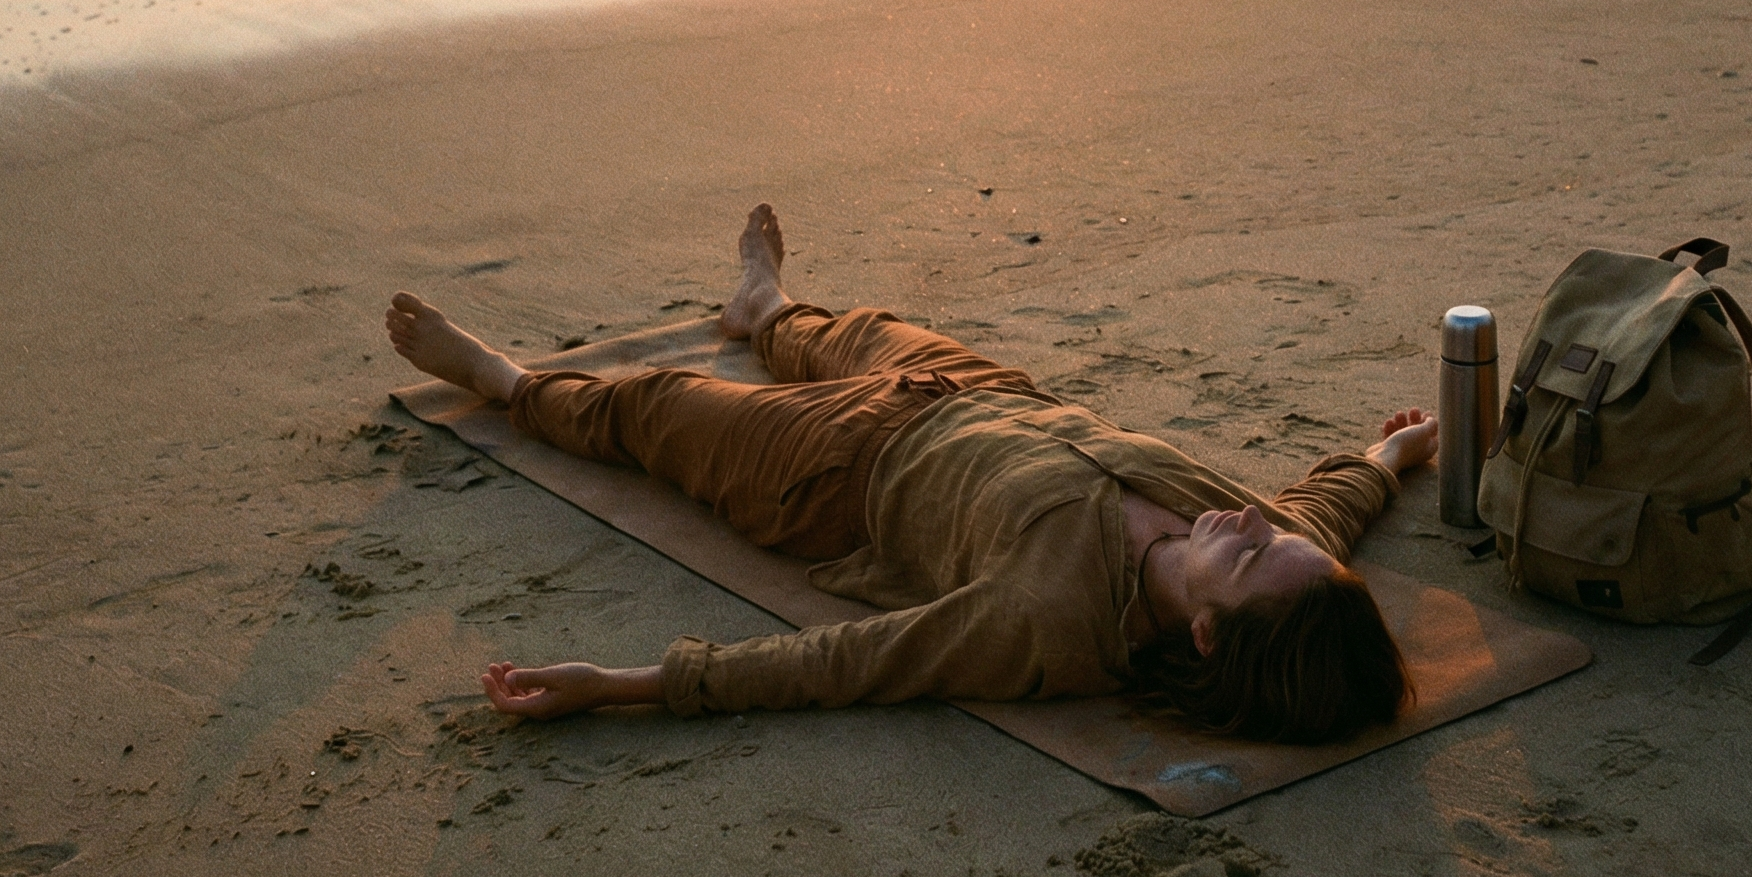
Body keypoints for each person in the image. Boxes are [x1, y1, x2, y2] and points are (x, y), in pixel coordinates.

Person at [386, 205, 1439, 745]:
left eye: (1250, 549)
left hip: (832, 472)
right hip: (979, 393)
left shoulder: (1048, 622)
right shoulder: (1267, 546)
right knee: (855, 331)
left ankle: (502, 378)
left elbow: (854, 658)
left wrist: (625, 684)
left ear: (1207, 631)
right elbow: (1321, 510)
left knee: (652, 407)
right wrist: (1384, 456)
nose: (1245, 518)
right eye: (1270, 528)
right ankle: (762, 309)